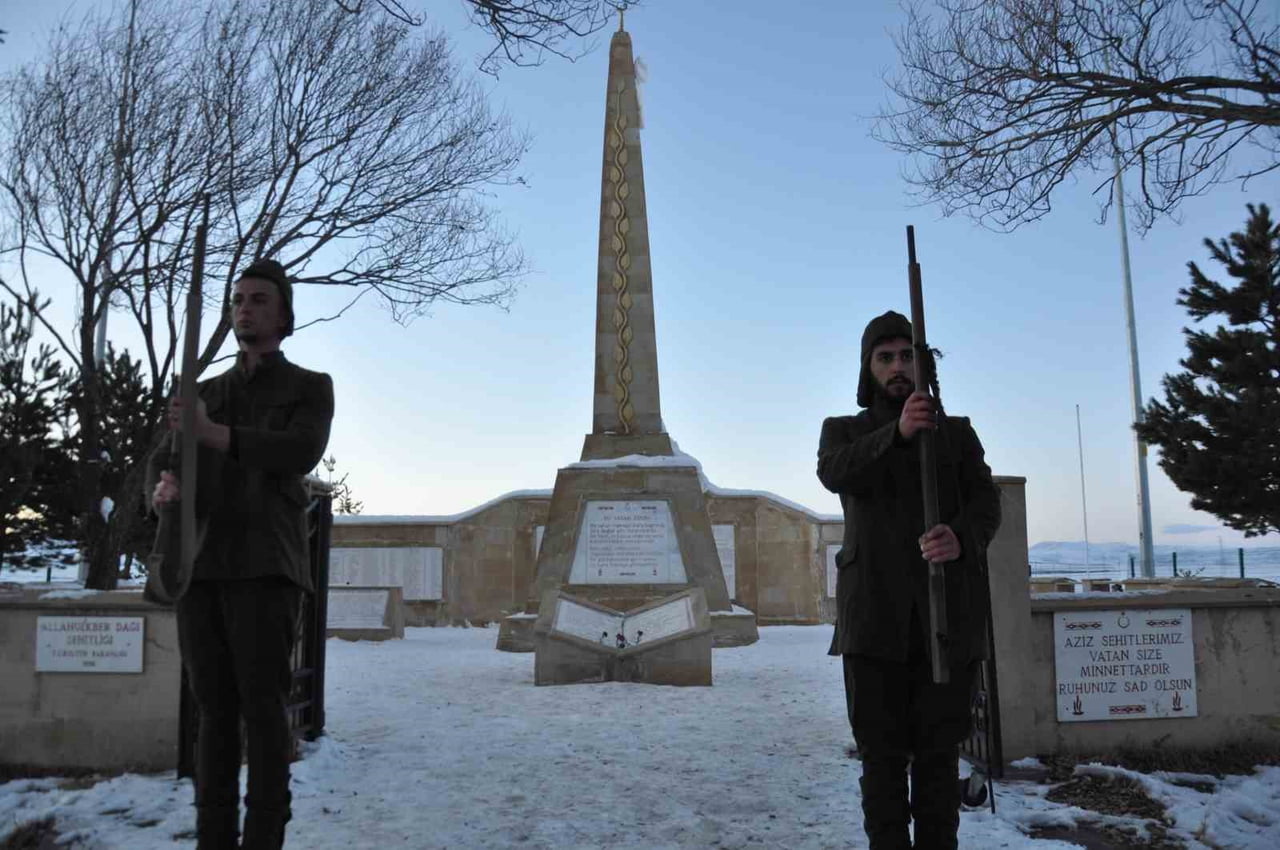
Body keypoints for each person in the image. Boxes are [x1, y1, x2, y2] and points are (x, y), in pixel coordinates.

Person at [149, 258, 334, 850]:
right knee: (213, 713)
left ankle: (262, 840)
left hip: (266, 567)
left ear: (283, 316)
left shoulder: (309, 387)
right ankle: (214, 839)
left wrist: (213, 436)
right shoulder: (202, 394)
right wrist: (161, 489)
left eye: (258, 300)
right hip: (202, 566)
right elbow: (164, 459)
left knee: (262, 710)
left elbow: (299, 452)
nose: (244, 309)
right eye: (238, 300)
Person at [817, 310, 1000, 850]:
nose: (898, 366)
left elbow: (986, 504)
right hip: (874, 625)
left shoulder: (958, 435)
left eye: (907, 355)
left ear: (923, 363)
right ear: (868, 367)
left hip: (946, 624)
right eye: (885, 357)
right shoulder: (844, 432)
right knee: (882, 766)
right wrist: (896, 434)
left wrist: (959, 537)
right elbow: (835, 472)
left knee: (939, 765)